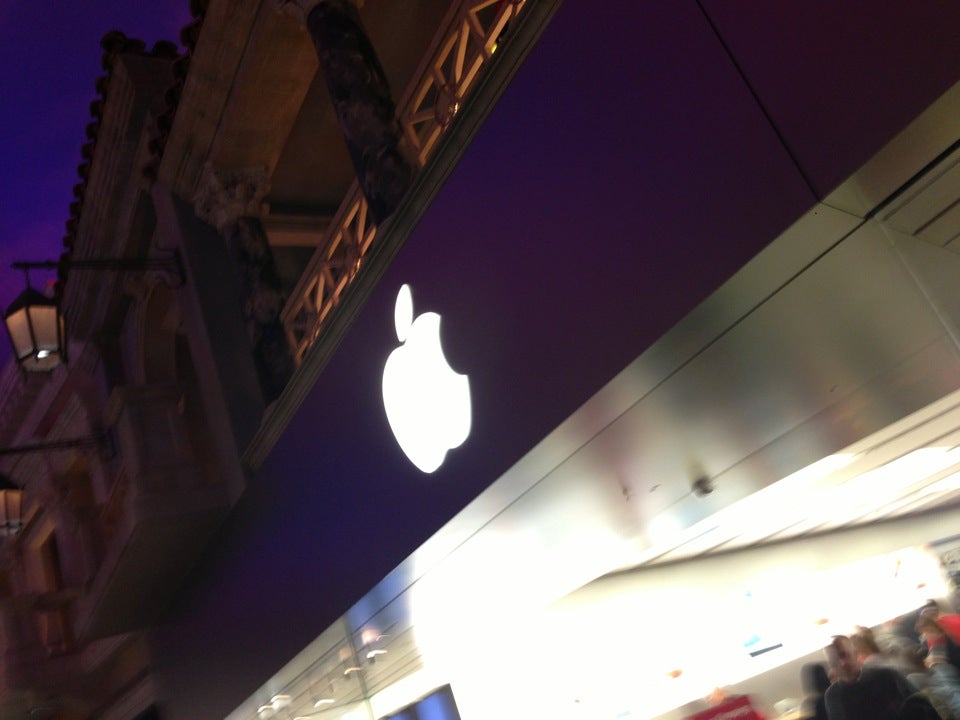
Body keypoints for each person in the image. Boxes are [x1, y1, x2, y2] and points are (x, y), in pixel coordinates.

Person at [823, 635, 914, 720]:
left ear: (856, 653)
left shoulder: (887, 676)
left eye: (844, 655)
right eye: (834, 660)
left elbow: (918, 704)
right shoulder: (833, 696)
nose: (842, 663)